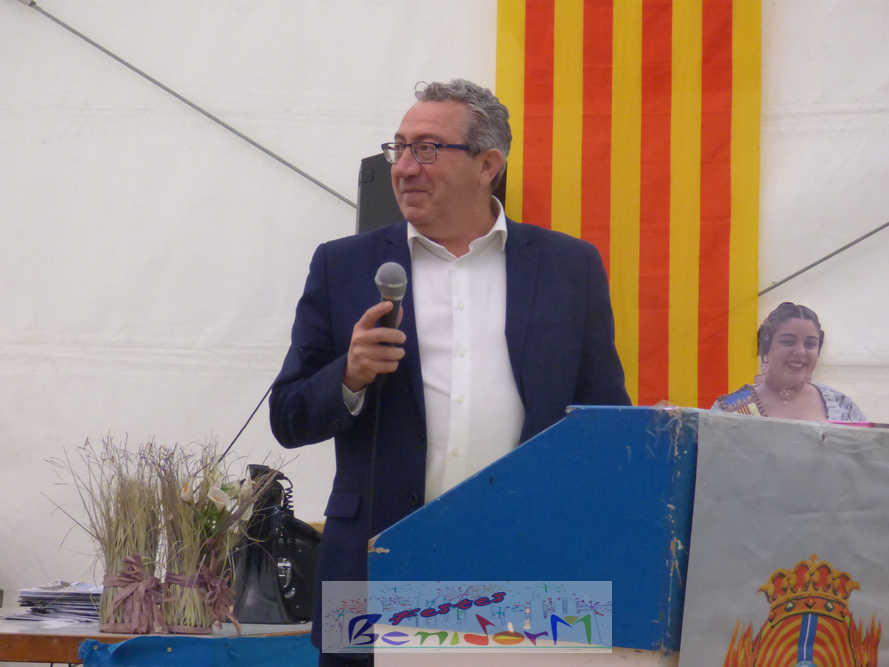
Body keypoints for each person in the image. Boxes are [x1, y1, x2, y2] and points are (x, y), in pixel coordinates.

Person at [269, 78, 630, 663]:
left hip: (533, 563)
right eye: (399, 148)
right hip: (374, 566)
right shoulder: (342, 264)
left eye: (428, 149)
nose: (405, 167)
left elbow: (604, 420)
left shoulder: (570, 266)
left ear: (488, 165)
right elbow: (287, 417)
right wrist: (349, 376)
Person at [712, 302, 865, 422]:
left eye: (810, 344)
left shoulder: (841, 406)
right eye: (788, 342)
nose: (800, 351)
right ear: (766, 348)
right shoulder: (731, 408)